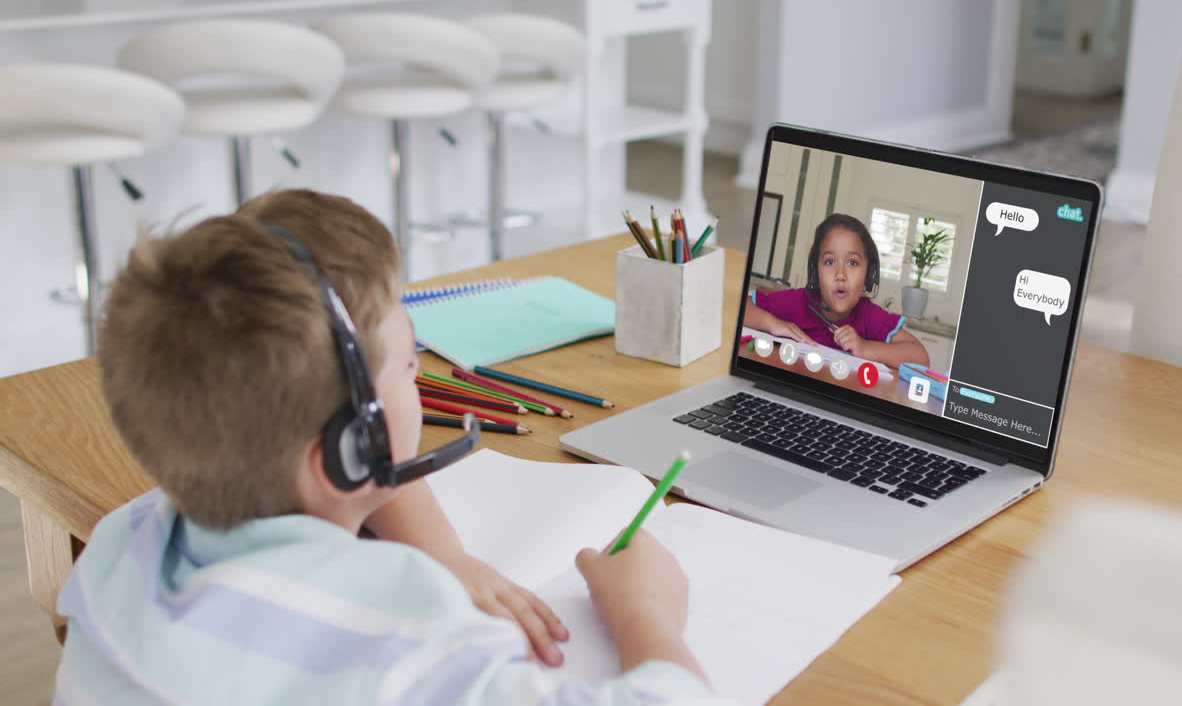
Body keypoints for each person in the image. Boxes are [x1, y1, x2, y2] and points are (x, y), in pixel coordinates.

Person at [54, 189, 709, 704]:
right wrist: (644, 611)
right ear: (346, 451)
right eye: (406, 365)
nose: (421, 370)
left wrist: (445, 551)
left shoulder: (123, 546)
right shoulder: (405, 632)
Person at [744, 213, 929, 370]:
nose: (841, 275)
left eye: (852, 263)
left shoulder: (869, 315)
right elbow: (740, 307)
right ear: (816, 271)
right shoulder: (798, 301)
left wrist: (863, 347)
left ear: (869, 274)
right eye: (830, 262)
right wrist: (773, 324)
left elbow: (920, 357)